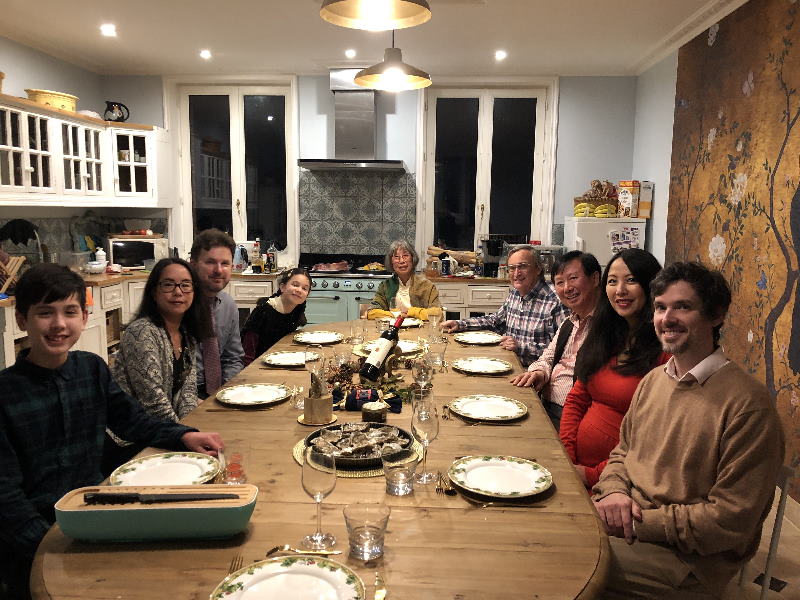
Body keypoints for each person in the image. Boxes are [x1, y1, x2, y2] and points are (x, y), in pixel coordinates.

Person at [0, 264, 224, 599]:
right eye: (45, 313)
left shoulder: (90, 368)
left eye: (69, 312)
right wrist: (51, 546)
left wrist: (182, 435)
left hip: (95, 512)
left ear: (84, 316)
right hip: (35, 544)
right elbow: (7, 501)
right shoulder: (6, 394)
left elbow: (132, 420)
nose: (59, 324)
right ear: (22, 320)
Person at [594, 262, 784, 598]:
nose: (667, 319)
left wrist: (634, 522)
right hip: (634, 526)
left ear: (716, 316)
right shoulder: (653, 380)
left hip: (690, 561)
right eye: (660, 307)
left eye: (683, 307)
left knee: (564, 563)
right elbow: (622, 453)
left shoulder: (747, 405)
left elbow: (729, 521)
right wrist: (613, 492)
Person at [559, 249, 669, 490]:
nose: (620, 290)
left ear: (651, 286)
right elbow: (577, 399)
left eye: (631, 280)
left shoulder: (665, 351)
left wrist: (591, 475)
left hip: (619, 483)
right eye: (612, 281)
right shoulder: (605, 335)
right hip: (575, 470)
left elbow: (653, 440)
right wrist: (566, 455)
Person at [106, 258, 212, 472]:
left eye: (185, 285)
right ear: (154, 292)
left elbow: (188, 394)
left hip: (163, 433)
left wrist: (190, 431)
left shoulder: (186, 334)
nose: (178, 292)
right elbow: (153, 403)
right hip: (129, 442)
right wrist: (183, 438)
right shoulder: (142, 333)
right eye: (168, 284)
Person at [510, 251, 602, 430]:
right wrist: (539, 372)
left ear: (595, 279)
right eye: (560, 282)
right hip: (545, 403)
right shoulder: (570, 322)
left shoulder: (606, 325)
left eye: (573, 278)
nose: (567, 288)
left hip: (572, 414)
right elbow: (548, 357)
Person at [442, 244, 568, 367]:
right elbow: (494, 322)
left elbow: (564, 349)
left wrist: (521, 347)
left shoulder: (556, 300)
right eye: (512, 268)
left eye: (522, 266)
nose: (516, 273)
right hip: (507, 364)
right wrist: (460, 324)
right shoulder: (515, 294)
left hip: (535, 372)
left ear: (538, 269)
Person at [190, 229, 244, 398]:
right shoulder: (179, 304)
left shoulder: (228, 305)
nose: (219, 270)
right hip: (186, 393)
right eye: (210, 262)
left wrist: (224, 393)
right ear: (193, 265)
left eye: (225, 263)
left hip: (220, 389)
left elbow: (233, 358)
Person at [241, 268, 311, 366]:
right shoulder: (264, 310)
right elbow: (248, 348)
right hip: (260, 363)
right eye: (295, 285)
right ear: (282, 287)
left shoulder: (298, 307)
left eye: (304, 288)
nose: (299, 290)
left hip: (282, 358)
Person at [367, 240, 441, 321]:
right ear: (391, 262)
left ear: (412, 259)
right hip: (393, 327)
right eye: (396, 257)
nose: (401, 261)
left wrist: (411, 312)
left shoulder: (426, 286)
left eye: (405, 255)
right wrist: (396, 315)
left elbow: (438, 314)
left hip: (420, 328)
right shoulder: (385, 286)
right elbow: (371, 312)